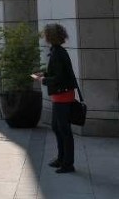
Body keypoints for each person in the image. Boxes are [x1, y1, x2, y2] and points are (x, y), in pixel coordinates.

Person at [33, 23, 77, 174]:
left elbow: (59, 77)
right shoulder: (57, 51)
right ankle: (61, 158)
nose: (44, 36)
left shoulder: (58, 53)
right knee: (57, 127)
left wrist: (43, 80)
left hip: (63, 95)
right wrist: (44, 75)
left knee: (63, 129)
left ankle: (68, 163)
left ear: (50, 36)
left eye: (46, 34)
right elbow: (58, 73)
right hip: (60, 95)